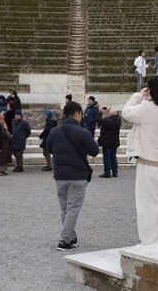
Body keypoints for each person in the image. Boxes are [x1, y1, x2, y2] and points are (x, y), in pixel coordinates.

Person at [122, 76, 158, 245]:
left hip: (149, 163)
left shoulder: (146, 107)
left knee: (148, 206)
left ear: (151, 90)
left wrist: (139, 95)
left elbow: (126, 112)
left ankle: (150, 243)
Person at [46, 101, 99, 251]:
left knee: (65, 209)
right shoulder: (83, 132)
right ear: (77, 113)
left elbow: (49, 148)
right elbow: (94, 151)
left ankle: (71, 236)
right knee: (73, 209)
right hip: (77, 175)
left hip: (60, 175)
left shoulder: (54, 131)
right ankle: (65, 240)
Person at [97, 107, 121, 178]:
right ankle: (115, 172)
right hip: (114, 142)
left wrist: (100, 112)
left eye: (109, 111)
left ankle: (107, 173)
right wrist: (110, 111)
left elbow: (98, 119)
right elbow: (114, 114)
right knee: (113, 156)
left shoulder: (108, 120)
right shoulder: (118, 120)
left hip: (107, 142)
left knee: (106, 157)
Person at [0, 110, 12, 176]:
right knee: (0, 157)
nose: (3, 116)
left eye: (3, 115)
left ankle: (3, 170)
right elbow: (2, 133)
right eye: (2, 115)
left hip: (5, 142)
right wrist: (9, 136)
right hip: (1, 141)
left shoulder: (3, 121)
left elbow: (6, 130)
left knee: (4, 157)